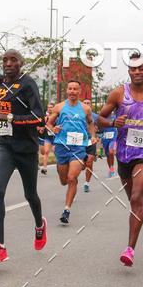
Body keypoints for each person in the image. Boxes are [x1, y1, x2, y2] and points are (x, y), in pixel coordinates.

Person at [98, 54, 143, 266]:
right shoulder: (119, 94)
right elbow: (99, 118)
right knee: (134, 200)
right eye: (133, 68)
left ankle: (130, 249)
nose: (136, 72)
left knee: (136, 197)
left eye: (140, 68)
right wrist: (112, 122)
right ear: (129, 70)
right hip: (124, 155)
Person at [0, 50, 47, 262]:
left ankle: (40, 224)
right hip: (6, 146)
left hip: (27, 149)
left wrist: (8, 117)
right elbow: (1, 107)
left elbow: (38, 117)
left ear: (21, 63)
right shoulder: (0, 84)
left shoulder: (28, 84)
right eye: (4, 60)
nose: (8, 63)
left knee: (30, 195)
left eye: (13, 60)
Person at [47, 82, 96, 222]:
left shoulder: (85, 108)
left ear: (79, 91)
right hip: (62, 146)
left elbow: (91, 123)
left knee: (72, 178)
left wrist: (92, 136)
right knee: (63, 181)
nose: (72, 91)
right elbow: (49, 124)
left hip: (78, 147)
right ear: (66, 91)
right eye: (70, 89)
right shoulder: (59, 107)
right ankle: (62, 169)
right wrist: (53, 129)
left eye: (75, 89)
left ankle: (66, 210)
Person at [81, 98, 99, 193]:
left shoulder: (95, 116)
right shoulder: (78, 114)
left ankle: (87, 183)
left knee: (89, 161)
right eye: (85, 102)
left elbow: (100, 128)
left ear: (91, 105)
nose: (87, 104)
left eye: (88, 103)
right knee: (82, 165)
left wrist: (97, 135)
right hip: (80, 141)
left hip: (91, 140)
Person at [38, 102, 55, 174]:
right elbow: (42, 126)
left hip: (55, 137)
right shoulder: (45, 117)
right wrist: (41, 129)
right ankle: (44, 168)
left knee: (56, 151)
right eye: (48, 107)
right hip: (47, 137)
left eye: (51, 107)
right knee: (46, 151)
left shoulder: (56, 116)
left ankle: (61, 165)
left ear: (53, 108)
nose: (49, 108)